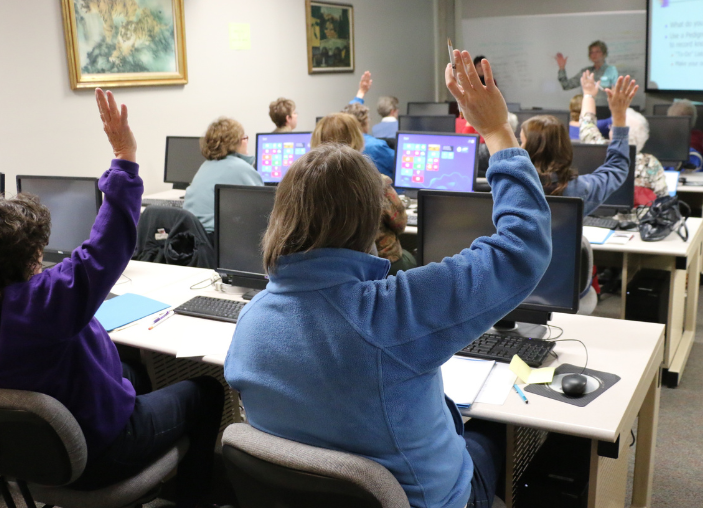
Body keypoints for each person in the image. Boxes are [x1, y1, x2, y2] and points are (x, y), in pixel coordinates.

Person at [224, 50, 552, 508]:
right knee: (500, 435)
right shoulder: (394, 312)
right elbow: (523, 248)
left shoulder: (251, 322)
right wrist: (497, 131)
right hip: (428, 501)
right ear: (369, 220)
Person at [0, 89, 223, 508]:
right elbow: (105, 246)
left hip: (27, 456)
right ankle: (194, 497)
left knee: (131, 368)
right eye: (36, 251)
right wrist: (124, 155)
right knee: (206, 391)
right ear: (24, 257)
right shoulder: (44, 303)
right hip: (99, 454)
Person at [312, 113, 416, 275]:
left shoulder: (306, 186)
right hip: (379, 264)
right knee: (410, 257)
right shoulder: (376, 182)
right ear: (357, 139)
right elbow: (400, 224)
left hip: (329, 269)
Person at [520, 75, 638, 216]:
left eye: (522, 142)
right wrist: (619, 117)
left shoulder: (509, 188)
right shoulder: (580, 189)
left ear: (532, 150)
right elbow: (617, 167)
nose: (519, 148)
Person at [579, 71, 668, 199]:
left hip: (599, 218)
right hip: (641, 219)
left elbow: (587, 124)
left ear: (614, 134)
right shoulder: (651, 164)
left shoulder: (599, 152)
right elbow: (663, 199)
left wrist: (588, 94)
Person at [183, 117, 263, 235]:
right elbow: (263, 210)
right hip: (219, 240)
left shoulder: (205, 166)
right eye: (244, 138)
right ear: (236, 142)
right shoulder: (240, 168)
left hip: (196, 239)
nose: (246, 142)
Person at [342, 102, 397, 179]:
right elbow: (399, 164)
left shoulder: (339, 142)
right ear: (365, 122)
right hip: (380, 189)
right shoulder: (376, 146)